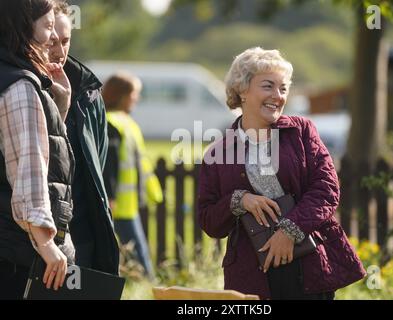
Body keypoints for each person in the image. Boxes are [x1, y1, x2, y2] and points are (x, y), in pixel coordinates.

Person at [198, 47, 366, 300]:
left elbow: (326, 190)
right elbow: (209, 220)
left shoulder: (302, 131)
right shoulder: (218, 152)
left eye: (283, 88)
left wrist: (289, 232)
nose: (277, 96)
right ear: (242, 90)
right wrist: (239, 200)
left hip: (308, 266)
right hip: (252, 276)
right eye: (268, 86)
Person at [0, 0, 75, 299]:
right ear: (22, 29)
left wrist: (59, 106)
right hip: (19, 255)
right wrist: (47, 243)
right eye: (47, 26)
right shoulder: (21, 87)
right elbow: (28, 169)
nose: (54, 37)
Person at [48, 1, 119, 275]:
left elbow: (95, 167)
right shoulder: (17, 85)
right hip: (29, 233)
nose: (59, 50)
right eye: (52, 41)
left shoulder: (89, 93)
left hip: (81, 233)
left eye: (66, 41)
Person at [102, 72, 163, 280]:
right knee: (139, 256)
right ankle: (150, 288)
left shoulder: (122, 122)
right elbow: (108, 164)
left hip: (124, 203)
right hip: (117, 204)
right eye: (134, 94)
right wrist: (110, 197)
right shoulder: (113, 123)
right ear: (122, 95)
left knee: (135, 252)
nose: (136, 99)